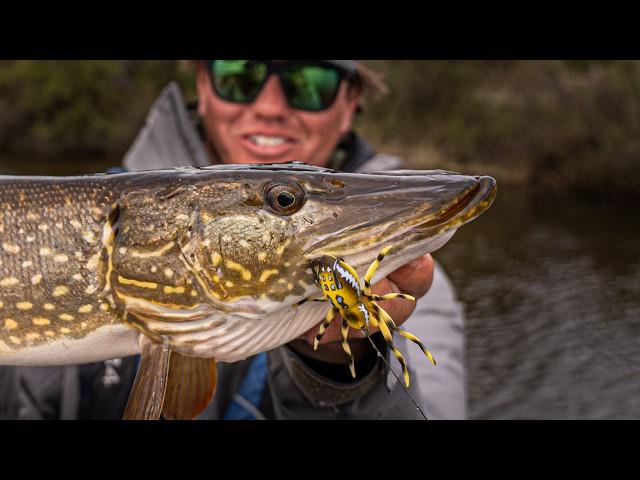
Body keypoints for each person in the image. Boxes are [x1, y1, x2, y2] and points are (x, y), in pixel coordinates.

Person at [0, 60, 466, 420]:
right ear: (203, 84)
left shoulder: (410, 277)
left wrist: (347, 369)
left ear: (349, 104)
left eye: (308, 84)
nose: (269, 105)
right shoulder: (104, 216)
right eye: (239, 75)